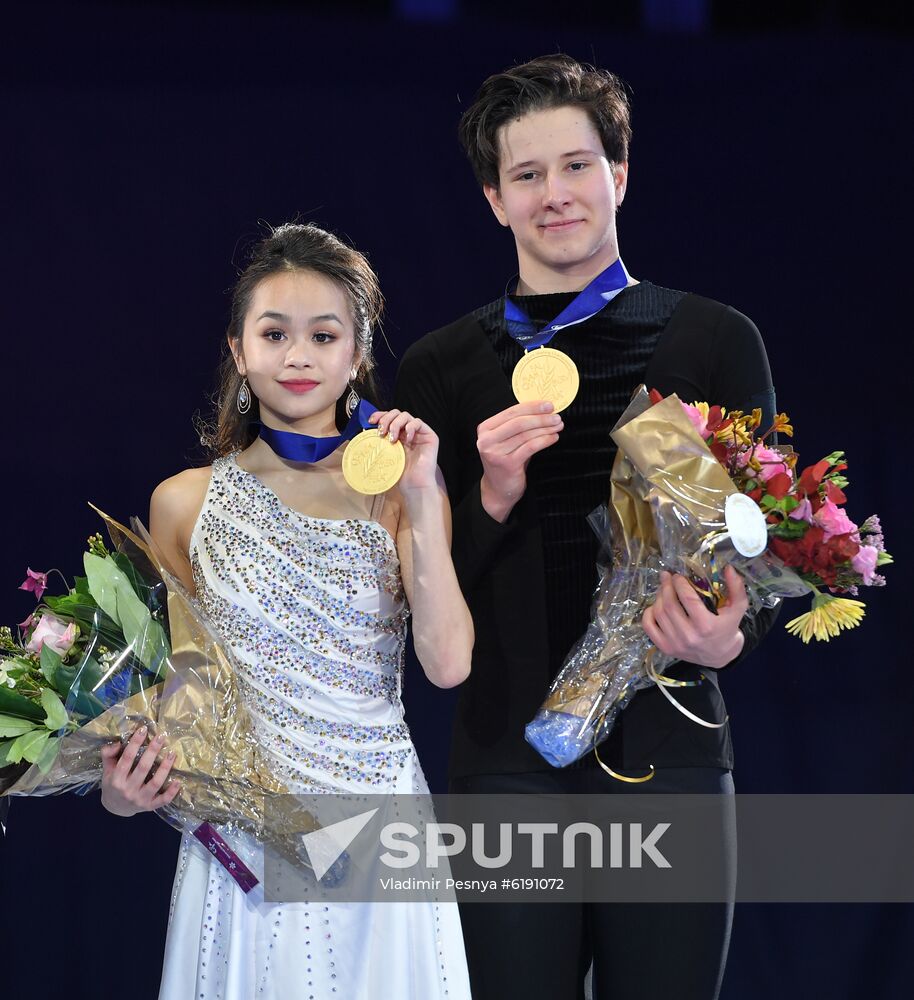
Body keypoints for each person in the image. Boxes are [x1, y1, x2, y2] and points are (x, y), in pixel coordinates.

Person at [394, 54, 780, 1000]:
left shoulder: (715, 340)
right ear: (494, 199)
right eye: (526, 175)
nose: (555, 194)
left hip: (673, 746)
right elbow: (420, 592)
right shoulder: (441, 369)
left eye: (577, 165)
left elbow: (763, 545)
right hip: (503, 763)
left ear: (620, 174)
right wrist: (487, 495)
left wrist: (732, 629)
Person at [99, 222, 474, 1000]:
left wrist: (422, 499)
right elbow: (175, 703)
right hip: (240, 839)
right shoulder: (182, 503)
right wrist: (120, 785)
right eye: (274, 333)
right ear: (240, 350)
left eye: (323, 334)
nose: (298, 355)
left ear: (356, 352)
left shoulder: (400, 493)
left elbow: (447, 664)